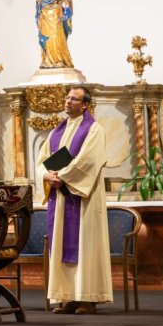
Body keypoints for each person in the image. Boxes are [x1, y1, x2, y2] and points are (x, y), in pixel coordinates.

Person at [37, 86, 112, 314]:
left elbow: (89, 161)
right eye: (67, 97)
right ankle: (69, 296)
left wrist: (62, 176)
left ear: (85, 105)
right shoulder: (56, 132)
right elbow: (42, 159)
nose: (68, 102)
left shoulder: (94, 130)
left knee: (85, 246)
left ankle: (88, 298)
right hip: (61, 198)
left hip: (83, 199)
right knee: (62, 246)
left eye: (74, 99)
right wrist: (45, 174)